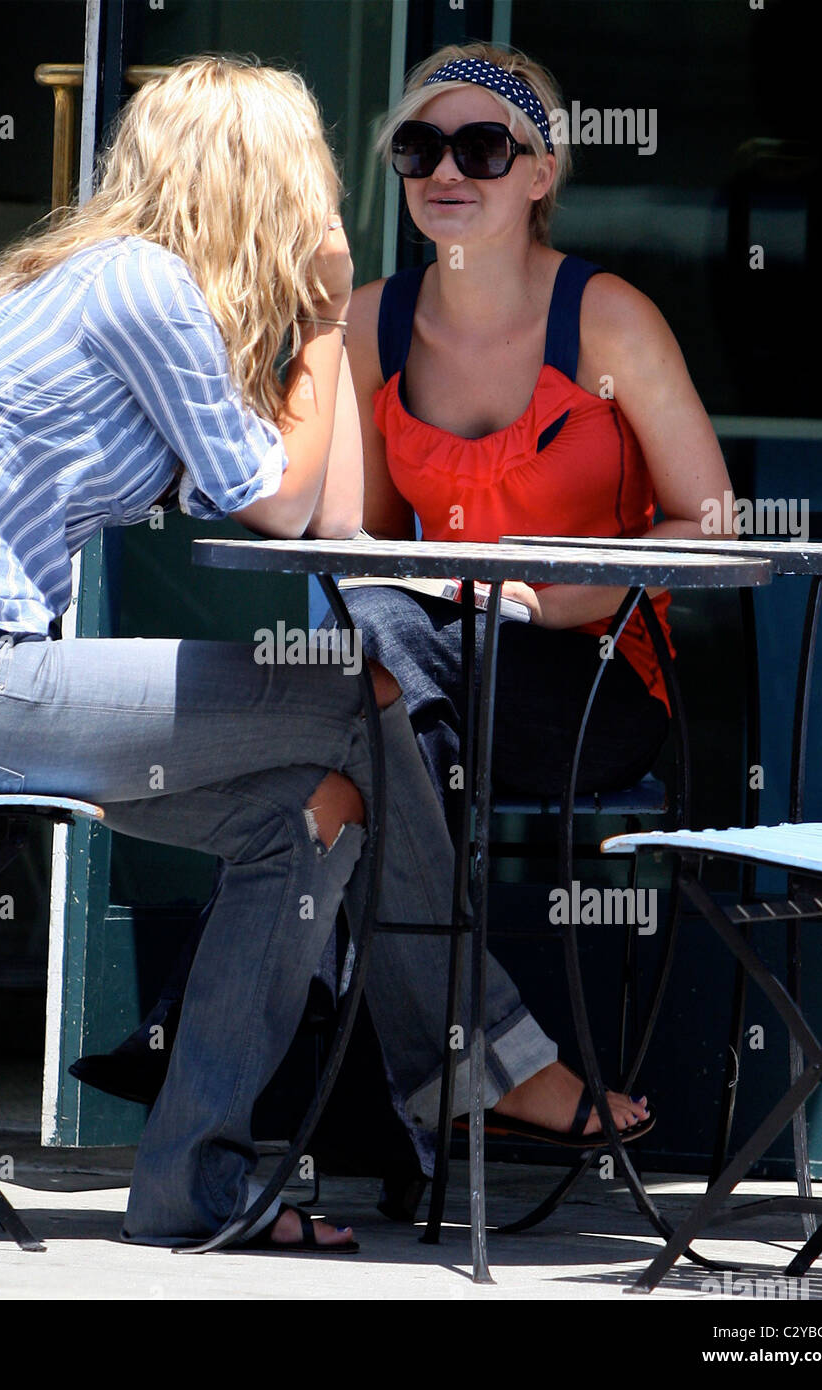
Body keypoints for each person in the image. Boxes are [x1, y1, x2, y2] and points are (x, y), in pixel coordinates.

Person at [0, 55, 607, 1253]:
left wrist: (318, 330)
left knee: (313, 811)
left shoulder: (121, 292)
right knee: (356, 692)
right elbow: (287, 512)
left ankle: (198, 1184)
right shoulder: (134, 287)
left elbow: (327, 515)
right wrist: (334, 311)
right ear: (261, 180)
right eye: (312, 180)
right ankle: (475, 1055)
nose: (323, 208)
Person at [332, 40, 737, 1145]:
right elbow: (363, 540)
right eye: (420, 149)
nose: (447, 172)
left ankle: (269, 1068)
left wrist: (563, 598)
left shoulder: (604, 318)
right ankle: (496, 1062)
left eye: (483, 147)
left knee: (347, 716)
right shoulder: (374, 321)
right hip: (437, 678)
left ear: (542, 172)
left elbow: (714, 522)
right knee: (365, 697)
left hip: (591, 682)